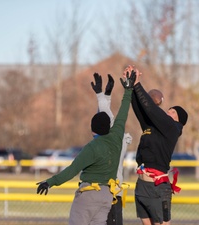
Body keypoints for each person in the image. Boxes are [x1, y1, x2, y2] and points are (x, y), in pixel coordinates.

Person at [36, 69, 137, 225]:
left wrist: (50, 182)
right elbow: (123, 114)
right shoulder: (117, 137)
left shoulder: (92, 148)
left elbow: (71, 170)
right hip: (107, 195)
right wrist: (128, 90)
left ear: (92, 129)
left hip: (89, 195)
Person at [124, 65, 188, 225]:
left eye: (173, 111)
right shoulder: (154, 127)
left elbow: (151, 109)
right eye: (169, 109)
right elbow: (141, 111)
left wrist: (138, 84)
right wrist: (129, 87)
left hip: (157, 187)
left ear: (179, 119)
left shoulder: (173, 128)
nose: (168, 112)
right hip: (142, 185)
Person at [90, 72, 133, 225]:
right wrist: (104, 95)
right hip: (98, 195)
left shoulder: (116, 141)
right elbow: (105, 120)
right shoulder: (107, 141)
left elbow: (108, 120)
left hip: (110, 195)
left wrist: (102, 95)